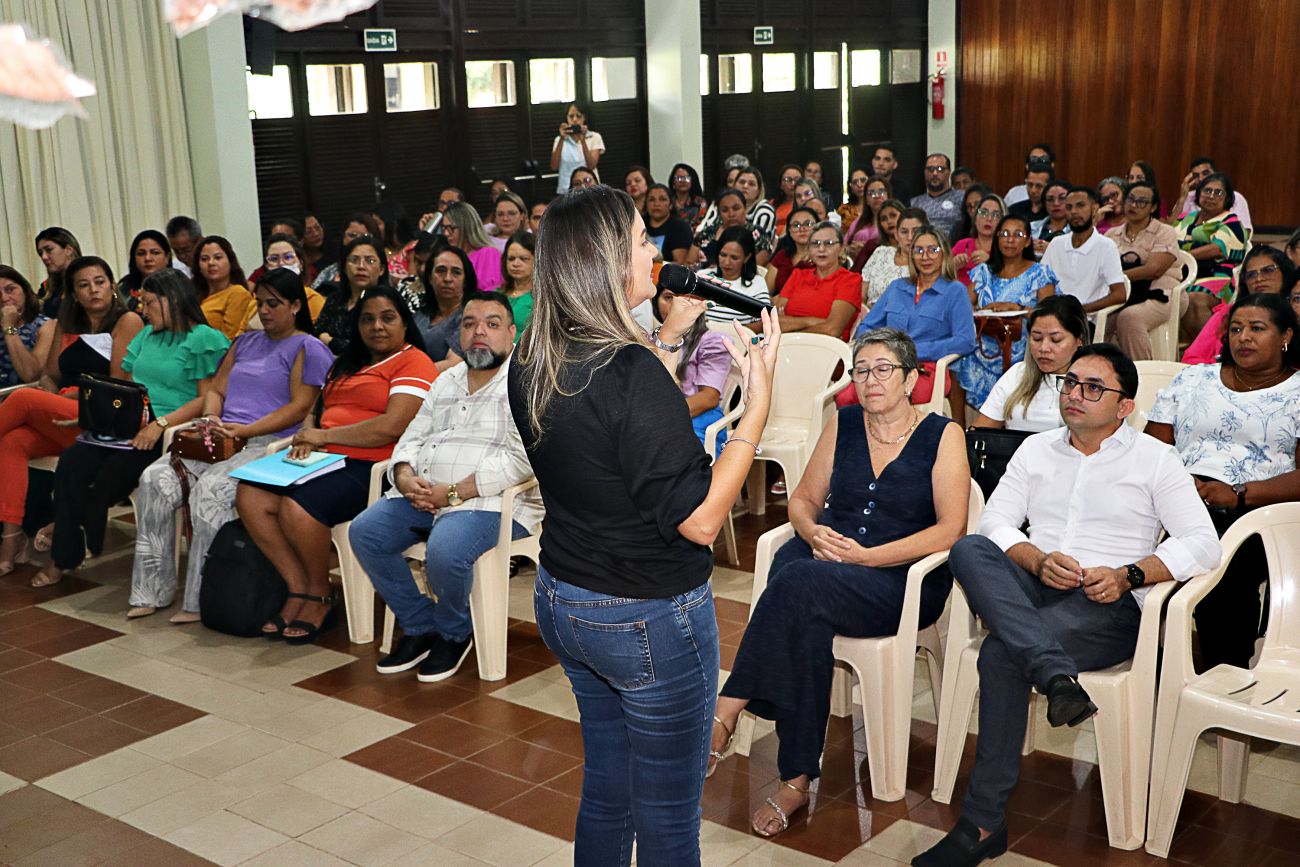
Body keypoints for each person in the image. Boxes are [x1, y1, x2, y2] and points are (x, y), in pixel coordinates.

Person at [507, 184, 780, 865]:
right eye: (638, 240)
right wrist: (756, 407)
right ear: (605, 260)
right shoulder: (628, 370)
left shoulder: (534, 353)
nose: (653, 251)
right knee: (668, 817)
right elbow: (701, 520)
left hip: (566, 596)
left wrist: (669, 338)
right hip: (645, 614)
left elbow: (616, 423)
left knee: (609, 789)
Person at [914, 344, 1221, 867]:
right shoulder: (1036, 449)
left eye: (1093, 387)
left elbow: (1202, 543)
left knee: (999, 654)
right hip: (1035, 586)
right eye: (1071, 383)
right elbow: (995, 522)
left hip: (1107, 604)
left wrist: (1128, 576)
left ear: (1125, 406)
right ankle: (1055, 674)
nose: (1075, 394)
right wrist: (1036, 560)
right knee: (969, 548)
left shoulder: (1156, 459)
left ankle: (983, 823)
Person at [713, 328, 969, 838]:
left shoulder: (944, 435)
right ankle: (796, 777)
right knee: (802, 601)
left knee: (796, 579)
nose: (870, 380)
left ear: (911, 379)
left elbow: (950, 530)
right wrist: (811, 532)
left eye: (883, 369)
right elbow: (803, 502)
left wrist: (870, 557)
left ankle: (727, 709)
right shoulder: (844, 423)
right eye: (861, 370)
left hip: (900, 580)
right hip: (827, 565)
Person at [126, 270, 333, 622]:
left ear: (296, 306)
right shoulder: (244, 343)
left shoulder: (307, 347)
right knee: (154, 480)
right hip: (221, 436)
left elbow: (300, 407)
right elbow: (216, 391)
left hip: (267, 443)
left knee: (209, 492)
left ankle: (200, 599)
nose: (264, 311)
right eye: (259, 303)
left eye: (273, 304)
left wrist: (247, 430)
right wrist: (211, 417)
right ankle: (151, 590)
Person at [353, 291, 540, 679]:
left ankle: (455, 631)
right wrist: (404, 476)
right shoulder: (446, 380)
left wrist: (454, 493)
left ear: (512, 333)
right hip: (425, 494)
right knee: (366, 533)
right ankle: (421, 624)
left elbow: (522, 459)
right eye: (469, 324)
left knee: (445, 550)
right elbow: (413, 435)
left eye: (491, 324)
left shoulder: (527, 381)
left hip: (491, 502)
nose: (479, 332)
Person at [236, 286, 435, 641]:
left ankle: (319, 593)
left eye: (387, 318)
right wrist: (307, 434)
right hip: (322, 459)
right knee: (250, 495)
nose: (377, 326)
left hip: (372, 466)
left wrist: (324, 436)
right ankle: (298, 586)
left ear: (405, 323)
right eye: (367, 319)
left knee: (298, 507)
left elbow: (391, 426)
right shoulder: (347, 362)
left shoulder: (413, 361)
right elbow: (317, 411)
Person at [31, 270, 229, 589]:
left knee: (108, 476)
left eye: (149, 303)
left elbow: (207, 398)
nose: (143, 311)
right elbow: (122, 384)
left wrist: (160, 424)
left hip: (168, 427)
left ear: (172, 300)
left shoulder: (203, 338)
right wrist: (94, 414)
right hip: (128, 421)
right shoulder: (147, 335)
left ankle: (64, 542)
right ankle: (67, 541)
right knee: (72, 462)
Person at [1146, 293, 1300, 671]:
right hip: (1175, 499)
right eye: (1236, 329)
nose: (1243, 337)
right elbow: (1150, 450)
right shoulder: (1193, 378)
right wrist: (1176, 486)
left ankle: (1224, 676)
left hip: (1256, 511)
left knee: (1221, 573)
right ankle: (1148, 668)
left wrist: (1237, 494)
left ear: (1286, 336)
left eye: (1256, 329)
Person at [0, 258, 144, 572]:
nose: (93, 290)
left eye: (100, 282)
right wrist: (47, 398)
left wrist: (56, 399)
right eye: (84, 285)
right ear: (74, 294)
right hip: (64, 414)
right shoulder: (67, 323)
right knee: (13, 441)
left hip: (103, 416)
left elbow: (119, 384)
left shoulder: (127, 320)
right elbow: (50, 375)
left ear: (112, 285)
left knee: (23, 397)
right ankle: (12, 538)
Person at [860, 224, 977, 424]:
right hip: (884, 363)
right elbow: (865, 327)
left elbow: (965, 340)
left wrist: (915, 351)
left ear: (944, 254)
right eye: (919, 250)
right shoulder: (897, 287)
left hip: (926, 367)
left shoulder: (955, 290)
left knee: (890, 392)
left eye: (933, 250)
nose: (925, 256)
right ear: (911, 255)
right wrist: (880, 349)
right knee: (847, 393)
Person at [954, 215, 1058, 409]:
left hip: (1023, 344)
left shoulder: (1040, 273)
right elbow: (960, 307)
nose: (1010, 240)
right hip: (984, 341)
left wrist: (1016, 308)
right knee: (956, 361)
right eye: (1004, 234)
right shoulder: (984, 272)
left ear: (1027, 241)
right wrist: (980, 310)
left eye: (1017, 234)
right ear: (997, 238)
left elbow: (1049, 314)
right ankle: (961, 424)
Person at [972, 295, 1088, 431]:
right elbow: (979, 433)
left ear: (1079, 339)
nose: (1044, 348)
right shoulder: (1017, 374)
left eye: (1055, 340)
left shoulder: (1093, 384)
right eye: (1037, 338)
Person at [1105, 181, 1183, 361]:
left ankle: (1141, 372)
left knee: (1129, 317)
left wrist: (1117, 277)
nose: (1134, 205)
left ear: (1153, 207)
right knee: (1098, 317)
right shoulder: (1111, 234)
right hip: (1123, 294)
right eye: (1130, 199)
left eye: (1142, 202)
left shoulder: (1165, 232)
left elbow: (1154, 270)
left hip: (1162, 294)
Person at [653, 282, 732, 454]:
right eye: (668, 297)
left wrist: (659, 417)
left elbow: (709, 398)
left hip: (697, 416)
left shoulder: (712, 341)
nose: (676, 305)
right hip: (659, 414)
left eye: (684, 299)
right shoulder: (648, 340)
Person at [1182, 247, 1296, 364]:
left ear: (1284, 273)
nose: (1259, 279)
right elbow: (1191, 358)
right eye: (1251, 275)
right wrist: (1221, 370)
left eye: (1268, 270)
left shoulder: (1296, 313)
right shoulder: (1227, 315)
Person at [1173, 171, 1248, 336]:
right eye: (1207, 190)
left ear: (1227, 198)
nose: (1211, 196)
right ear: (1199, 194)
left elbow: (1217, 248)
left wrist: (1181, 256)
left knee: (1193, 298)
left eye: (1218, 192)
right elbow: (1166, 231)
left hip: (1217, 276)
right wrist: (1182, 199)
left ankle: (1211, 348)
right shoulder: (1186, 218)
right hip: (1180, 275)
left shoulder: (1231, 221)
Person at [1041, 187, 1126, 316]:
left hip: (1086, 319)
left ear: (1095, 209)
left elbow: (1119, 294)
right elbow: (1041, 283)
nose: (1074, 212)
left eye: (1080, 205)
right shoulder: (1056, 243)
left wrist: (1081, 310)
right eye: (1069, 207)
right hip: (1053, 316)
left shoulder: (1106, 246)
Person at [775, 222, 861, 340]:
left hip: (825, 347)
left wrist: (792, 330)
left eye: (829, 243)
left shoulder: (850, 280)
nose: (821, 249)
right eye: (815, 244)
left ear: (841, 249)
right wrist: (811, 321)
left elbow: (832, 329)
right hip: (786, 344)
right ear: (809, 249)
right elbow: (777, 320)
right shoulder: (798, 275)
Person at [316, 236, 388, 357]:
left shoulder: (386, 304)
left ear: (381, 269)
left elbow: (368, 349)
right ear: (344, 267)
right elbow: (316, 334)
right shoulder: (334, 299)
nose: (361, 266)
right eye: (354, 260)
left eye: (370, 261)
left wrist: (330, 341)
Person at [413, 245, 473, 370]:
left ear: (466, 280)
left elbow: (454, 363)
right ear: (430, 278)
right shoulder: (420, 314)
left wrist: (412, 374)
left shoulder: (469, 317)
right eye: (440, 271)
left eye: (456, 272)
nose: (447, 279)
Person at [189, 235, 256, 340]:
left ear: (230, 261)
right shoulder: (194, 294)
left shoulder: (237, 293)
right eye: (204, 259)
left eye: (218, 257)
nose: (211, 263)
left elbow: (231, 338)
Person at [702, 227, 771, 324]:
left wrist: (733, 331)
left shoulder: (757, 284)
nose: (727, 262)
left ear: (747, 257)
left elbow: (763, 322)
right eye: (723, 255)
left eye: (734, 258)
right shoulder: (703, 276)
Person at [861, 205, 924, 310]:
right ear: (896, 235)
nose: (910, 237)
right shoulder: (881, 252)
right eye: (904, 232)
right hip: (869, 314)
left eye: (916, 231)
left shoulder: (927, 263)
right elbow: (862, 295)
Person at [0, 266, 52, 389]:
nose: (4, 298)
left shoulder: (45, 325)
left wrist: (9, 327)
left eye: (10, 290)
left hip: (23, 394)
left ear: (24, 290)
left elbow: (31, 374)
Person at [694, 189, 772, 267]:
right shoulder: (708, 232)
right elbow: (689, 261)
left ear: (745, 209)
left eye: (736, 208)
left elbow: (755, 266)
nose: (731, 214)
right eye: (725, 210)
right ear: (719, 213)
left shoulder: (757, 234)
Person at [257, 233, 326, 323]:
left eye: (288, 257)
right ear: (266, 266)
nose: (281, 263)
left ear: (301, 264)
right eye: (274, 259)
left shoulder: (312, 299)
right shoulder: (257, 300)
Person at [1171, 156, 1252, 231]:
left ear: (1215, 174)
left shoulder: (1236, 197)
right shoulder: (1188, 196)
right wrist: (1182, 199)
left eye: (1205, 173)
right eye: (1196, 175)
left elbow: (1244, 232)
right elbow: (1171, 228)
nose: (1201, 178)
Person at [440, 201, 504, 291]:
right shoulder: (448, 256)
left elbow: (490, 293)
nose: (446, 233)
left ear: (466, 227)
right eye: (444, 228)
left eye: (451, 228)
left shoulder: (488, 253)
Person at [311, 213, 382, 290]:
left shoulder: (388, 270)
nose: (357, 240)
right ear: (343, 238)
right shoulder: (328, 273)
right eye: (352, 235)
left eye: (364, 236)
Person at [951, 193, 1005, 287]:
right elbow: (942, 275)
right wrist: (953, 267)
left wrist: (990, 263)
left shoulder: (1005, 248)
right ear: (975, 219)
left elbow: (1010, 282)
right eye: (983, 213)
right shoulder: (962, 245)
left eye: (995, 215)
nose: (989, 219)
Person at [550, 103, 604, 193]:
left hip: (590, 188)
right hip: (566, 189)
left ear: (584, 118)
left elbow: (592, 165)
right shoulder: (559, 140)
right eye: (571, 116)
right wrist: (562, 138)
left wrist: (583, 141)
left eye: (578, 116)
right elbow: (554, 166)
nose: (574, 120)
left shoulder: (594, 137)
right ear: (566, 118)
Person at [909, 154, 965, 239]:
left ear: (949, 172)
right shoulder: (915, 203)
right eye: (930, 169)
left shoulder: (962, 197)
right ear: (925, 172)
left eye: (940, 169)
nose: (935, 173)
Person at [117, 230, 173, 312]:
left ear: (167, 257)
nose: (148, 258)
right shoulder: (124, 288)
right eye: (141, 254)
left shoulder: (179, 285)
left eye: (155, 253)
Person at [765, 206, 816, 295]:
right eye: (796, 225)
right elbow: (765, 293)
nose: (802, 229)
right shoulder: (782, 255)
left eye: (808, 224)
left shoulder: (823, 258)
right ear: (789, 231)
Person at [33, 227, 82, 319]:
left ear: (68, 250)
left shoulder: (87, 281)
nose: (44, 257)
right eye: (40, 253)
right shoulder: (46, 289)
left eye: (49, 250)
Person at [846, 175, 892, 265]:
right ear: (866, 200)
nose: (877, 196)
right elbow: (844, 245)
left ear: (888, 195)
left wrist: (867, 249)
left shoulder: (895, 221)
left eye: (881, 192)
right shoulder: (858, 222)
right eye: (871, 193)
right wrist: (851, 249)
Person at [643, 183, 693, 264]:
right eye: (651, 200)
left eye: (662, 199)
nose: (656, 204)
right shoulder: (638, 224)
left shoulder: (680, 227)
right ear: (646, 204)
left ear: (671, 205)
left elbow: (680, 263)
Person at [500, 231, 536, 339]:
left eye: (523, 259)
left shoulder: (543, 298)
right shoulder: (495, 294)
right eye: (511, 259)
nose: (515, 264)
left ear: (537, 261)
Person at [735, 167, 776, 246]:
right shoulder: (725, 207)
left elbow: (758, 244)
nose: (745, 186)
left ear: (759, 191)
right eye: (742, 182)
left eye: (751, 184)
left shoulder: (765, 210)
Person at [1031, 179, 1071, 255]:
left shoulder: (1079, 231)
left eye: (1062, 198)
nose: (1056, 203)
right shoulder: (1030, 227)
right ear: (1044, 203)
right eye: (1050, 199)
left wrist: (1052, 249)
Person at [669, 163, 708, 229]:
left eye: (687, 178)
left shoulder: (700, 203)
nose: (683, 181)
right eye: (679, 178)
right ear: (673, 183)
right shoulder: (667, 201)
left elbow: (701, 226)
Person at [770, 164, 803, 236]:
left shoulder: (806, 203)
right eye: (788, 180)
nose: (793, 184)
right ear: (781, 184)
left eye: (797, 179)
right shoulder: (772, 204)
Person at [302, 213, 328, 281]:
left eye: (317, 227)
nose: (316, 234)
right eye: (308, 232)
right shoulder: (298, 262)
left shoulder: (335, 254)